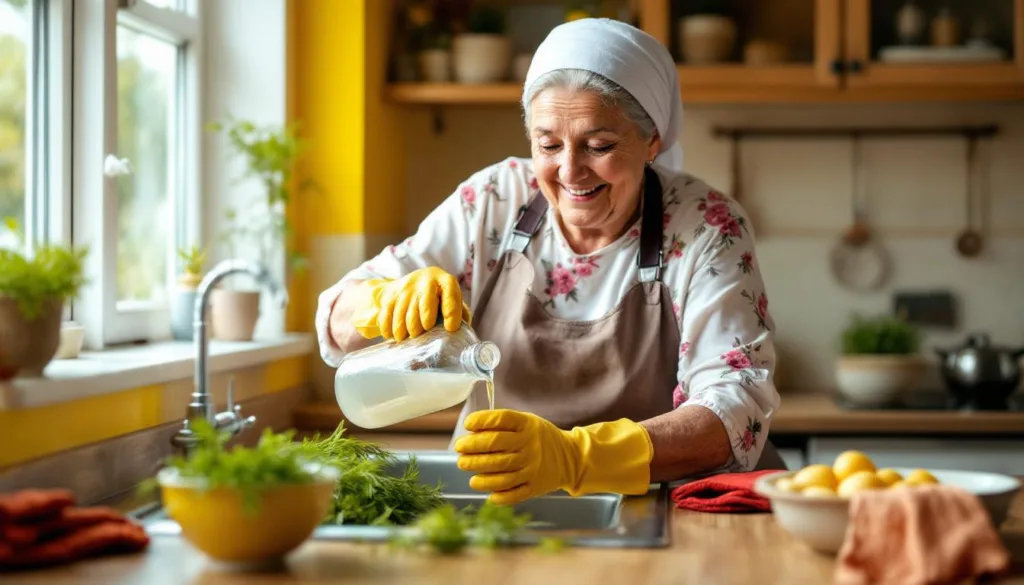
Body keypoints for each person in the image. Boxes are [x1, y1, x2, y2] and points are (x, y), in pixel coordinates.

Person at [315, 18, 781, 506]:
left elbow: (735, 411)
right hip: (498, 499)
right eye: (548, 145)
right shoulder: (493, 200)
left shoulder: (705, 225)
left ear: (652, 142)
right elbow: (336, 326)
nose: (570, 170)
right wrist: (382, 300)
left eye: (599, 146)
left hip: (655, 507)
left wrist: (575, 457)